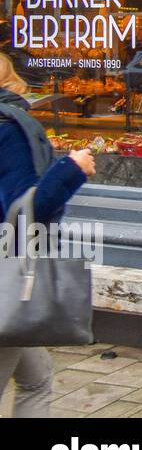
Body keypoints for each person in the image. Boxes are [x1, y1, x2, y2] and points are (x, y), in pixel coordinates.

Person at [0, 66, 95, 418]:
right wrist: (72, 168)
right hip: (6, 283)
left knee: (36, 378)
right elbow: (27, 208)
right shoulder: (9, 130)